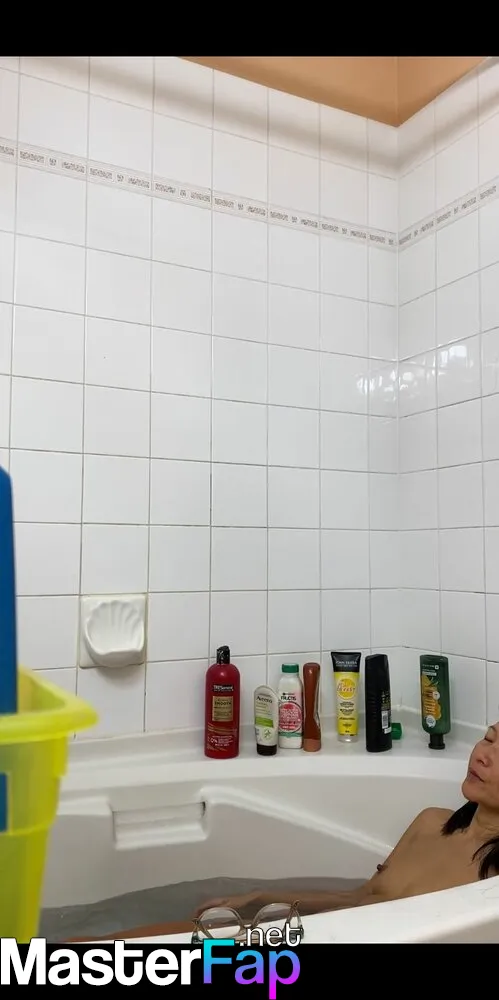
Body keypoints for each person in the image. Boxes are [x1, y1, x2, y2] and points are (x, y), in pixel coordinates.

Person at [71, 723, 499, 941]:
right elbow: (360, 898)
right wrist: (261, 898)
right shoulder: (431, 822)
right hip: (312, 937)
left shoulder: (492, 880)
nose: (482, 754)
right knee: (103, 947)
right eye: (488, 739)